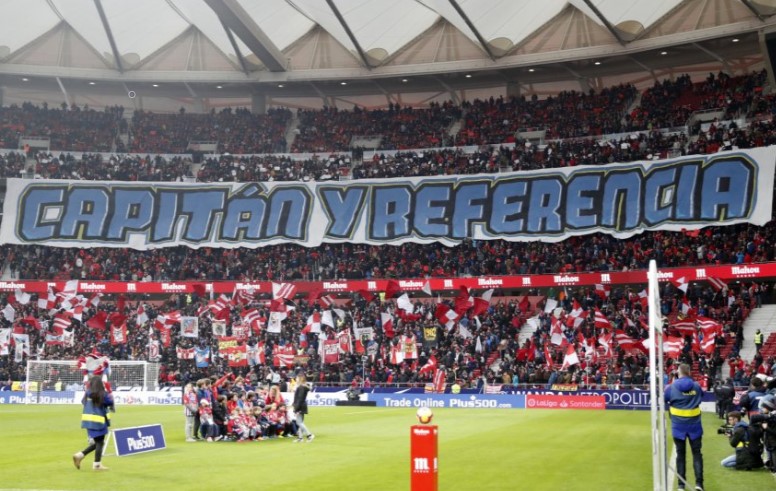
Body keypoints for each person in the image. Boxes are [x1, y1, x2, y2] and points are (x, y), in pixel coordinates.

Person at [665, 363, 704, 491]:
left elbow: (664, 399)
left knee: (680, 455)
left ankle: (681, 485)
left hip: (678, 426)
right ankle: (699, 484)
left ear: (678, 372)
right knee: (697, 454)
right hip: (695, 426)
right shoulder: (697, 386)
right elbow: (701, 397)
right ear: (689, 372)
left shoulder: (672, 387)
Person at [72, 376, 115, 471]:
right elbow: (110, 401)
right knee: (100, 442)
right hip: (99, 421)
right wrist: (109, 391)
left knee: (98, 442)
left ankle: (80, 456)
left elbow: (83, 402)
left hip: (88, 420)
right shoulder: (102, 394)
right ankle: (96, 465)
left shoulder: (87, 393)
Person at [292, 373, 314, 443]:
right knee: (300, 422)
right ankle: (300, 438)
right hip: (302, 405)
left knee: (299, 422)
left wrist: (296, 408)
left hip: (300, 406)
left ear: (300, 378)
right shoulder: (303, 387)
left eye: (297, 378)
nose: (296, 379)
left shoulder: (301, 387)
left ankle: (309, 435)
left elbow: (299, 398)